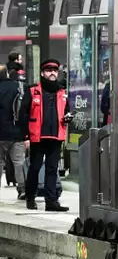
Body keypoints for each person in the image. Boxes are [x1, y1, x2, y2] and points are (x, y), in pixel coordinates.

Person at [25, 59, 72, 212]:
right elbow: (24, 114)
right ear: (42, 73)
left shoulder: (62, 92)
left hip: (56, 136)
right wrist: (25, 136)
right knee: (35, 168)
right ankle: (30, 197)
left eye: (55, 70)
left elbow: (67, 111)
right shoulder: (32, 90)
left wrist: (68, 117)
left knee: (52, 169)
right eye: (48, 70)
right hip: (38, 137)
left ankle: (51, 201)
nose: (52, 73)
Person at [0, 64, 30, 200]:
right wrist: (25, 133)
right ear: (7, 74)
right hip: (16, 131)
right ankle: (22, 188)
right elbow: (23, 111)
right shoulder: (17, 87)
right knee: (19, 162)